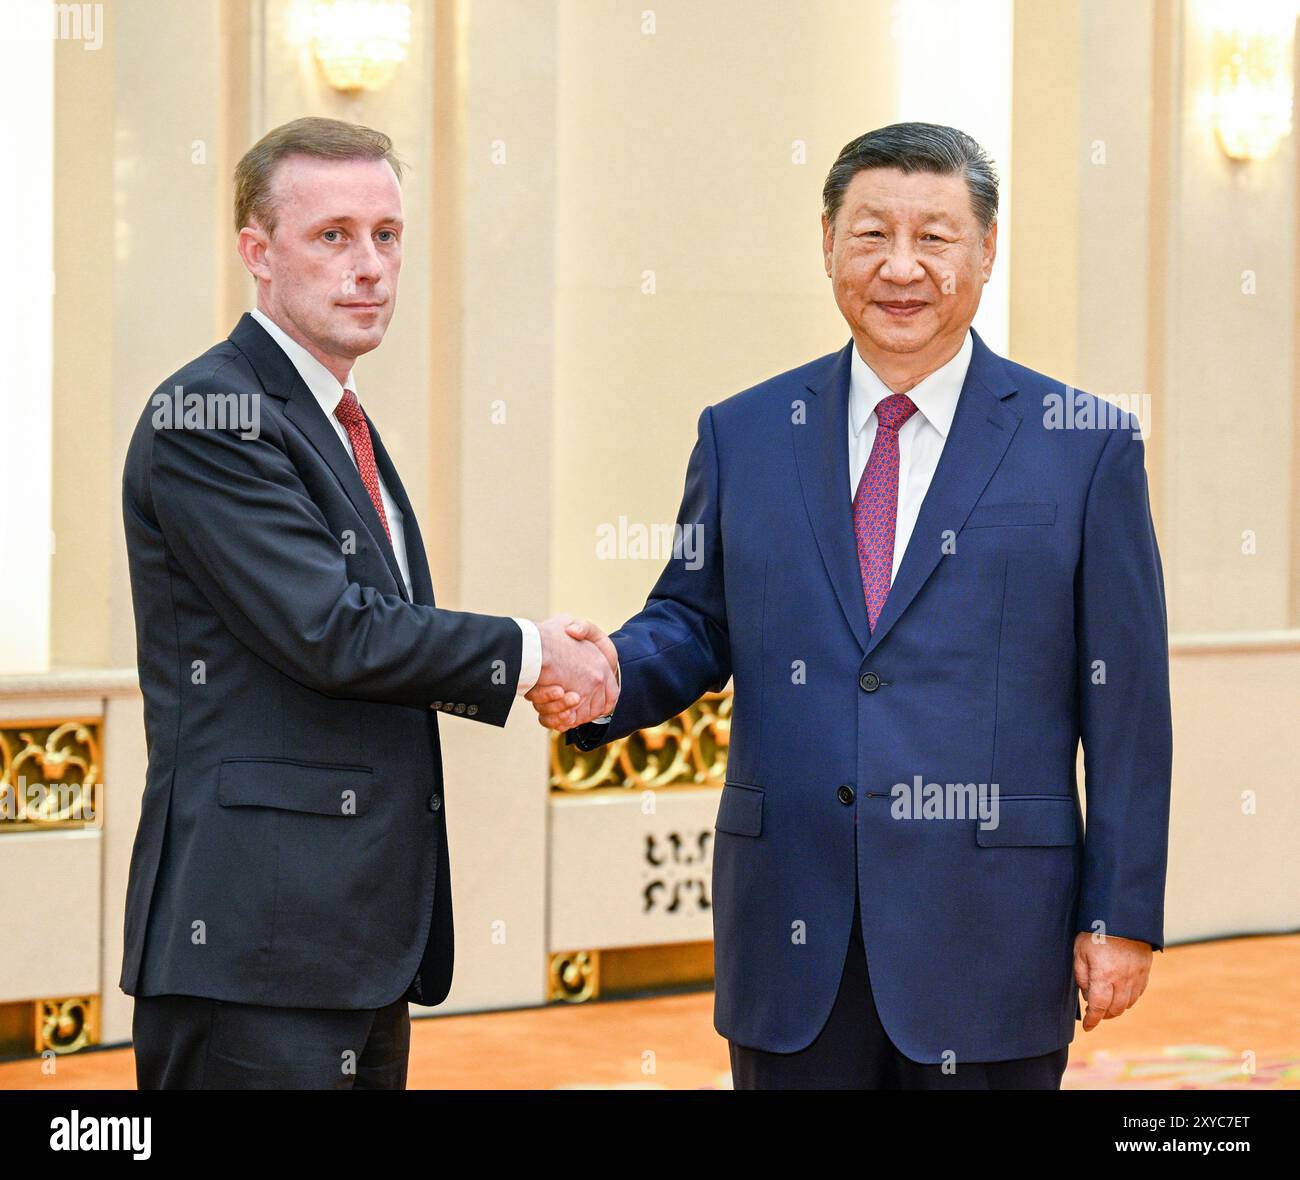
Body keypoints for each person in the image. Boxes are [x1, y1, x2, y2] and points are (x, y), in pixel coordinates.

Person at [534, 122, 1173, 1090]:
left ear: (987, 250)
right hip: (793, 928)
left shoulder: (1081, 445)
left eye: (935, 236)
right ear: (827, 243)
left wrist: (1117, 913)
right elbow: (696, 620)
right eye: (871, 234)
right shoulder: (745, 432)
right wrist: (610, 675)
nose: (901, 266)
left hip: (993, 930)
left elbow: (1126, 704)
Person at [121, 117, 617, 1089]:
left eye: (387, 236)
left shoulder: (332, 411)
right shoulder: (209, 414)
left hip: (351, 947)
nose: (371, 268)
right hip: (253, 950)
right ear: (256, 254)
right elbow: (332, 632)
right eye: (333, 236)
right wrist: (533, 653)